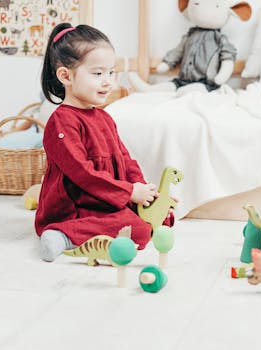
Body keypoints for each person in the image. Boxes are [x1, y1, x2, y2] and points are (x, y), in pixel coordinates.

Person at [36, 23, 173, 262]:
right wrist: (129, 192)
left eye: (111, 73)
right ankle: (62, 234)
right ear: (65, 76)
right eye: (98, 74)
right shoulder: (62, 121)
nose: (108, 81)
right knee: (138, 229)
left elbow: (126, 160)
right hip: (76, 207)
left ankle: (127, 217)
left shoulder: (105, 117)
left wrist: (142, 189)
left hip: (108, 198)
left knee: (163, 215)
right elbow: (82, 174)